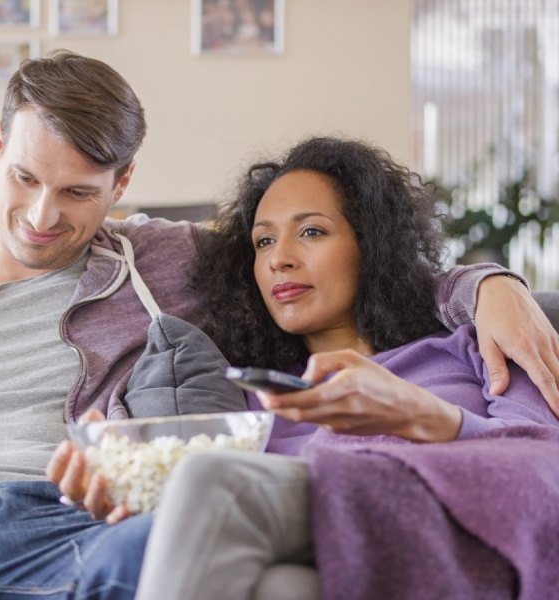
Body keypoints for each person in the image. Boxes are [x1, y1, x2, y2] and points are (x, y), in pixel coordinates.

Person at [0, 49, 555, 597]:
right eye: (25, 177)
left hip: (64, 527)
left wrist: (492, 284)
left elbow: (346, 259)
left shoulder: (159, 259)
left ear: (122, 182)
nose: (41, 216)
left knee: (171, 545)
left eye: (77, 193)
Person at [132, 137, 559, 600]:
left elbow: (542, 465)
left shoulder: (470, 348)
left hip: (452, 534)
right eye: (264, 241)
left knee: (213, 481)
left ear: (372, 243)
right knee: (283, 588)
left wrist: (422, 416)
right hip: (332, 558)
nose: (280, 258)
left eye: (311, 231)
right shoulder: (252, 395)